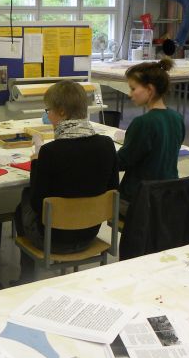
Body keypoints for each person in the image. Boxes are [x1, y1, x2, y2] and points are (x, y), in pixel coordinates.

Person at [13, 80, 119, 284]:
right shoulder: (107, 145)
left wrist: (36, 164)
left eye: (48, 111)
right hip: (90, 234)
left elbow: (37, 203)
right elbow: (113, 190)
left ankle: (26, 277)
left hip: (53, 240)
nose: (47, 116)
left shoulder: (50, 152)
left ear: (61, 112)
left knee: (23, 201)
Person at [117, 59, 185, 207]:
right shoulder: (177, 118)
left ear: (149, 89)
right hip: (168, 195)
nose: (130, 94)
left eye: (133, 89)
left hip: (140, 198)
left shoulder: (143, 123)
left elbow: (122, 162)